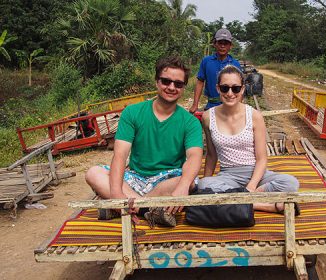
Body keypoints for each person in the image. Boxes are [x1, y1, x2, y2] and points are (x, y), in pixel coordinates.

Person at [85, 56, 203, 226]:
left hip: (167, 179)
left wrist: (183, 186)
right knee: (94, 173)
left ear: (183, 88)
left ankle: (125, 207)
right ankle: (147, 210)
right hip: (135, 177)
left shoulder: (190, 121)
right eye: (166, 81)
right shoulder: (132, 113)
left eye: (178, 84)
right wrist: (117, 191)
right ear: (157, 82)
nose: (171, 87)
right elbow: (120, 154)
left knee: (189, 182)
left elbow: (194, 157)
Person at [197, 65, 299, 214]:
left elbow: (262, 158)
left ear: (242, 89)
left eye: (235, 88)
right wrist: (204, 188)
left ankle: (240, 200)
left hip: (256, 173)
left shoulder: (254, 116)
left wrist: (251, 187)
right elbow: (212, 155)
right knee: (203, 184)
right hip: (228, 176)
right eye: (225, 88)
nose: (230, 93)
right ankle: (265, 206)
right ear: (218, 89)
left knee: (290, 183)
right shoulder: (208, 117)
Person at [189, 28, 241, 113]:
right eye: (220, 43)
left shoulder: (235, 64)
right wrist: (195, 105)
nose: (222, 46)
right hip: (211, 105)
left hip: (230, 106)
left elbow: (239, 88)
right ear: (214, 44)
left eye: (226, 43)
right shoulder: (206, 61)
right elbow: (200, 82)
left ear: (230, 46)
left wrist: (239, 107)